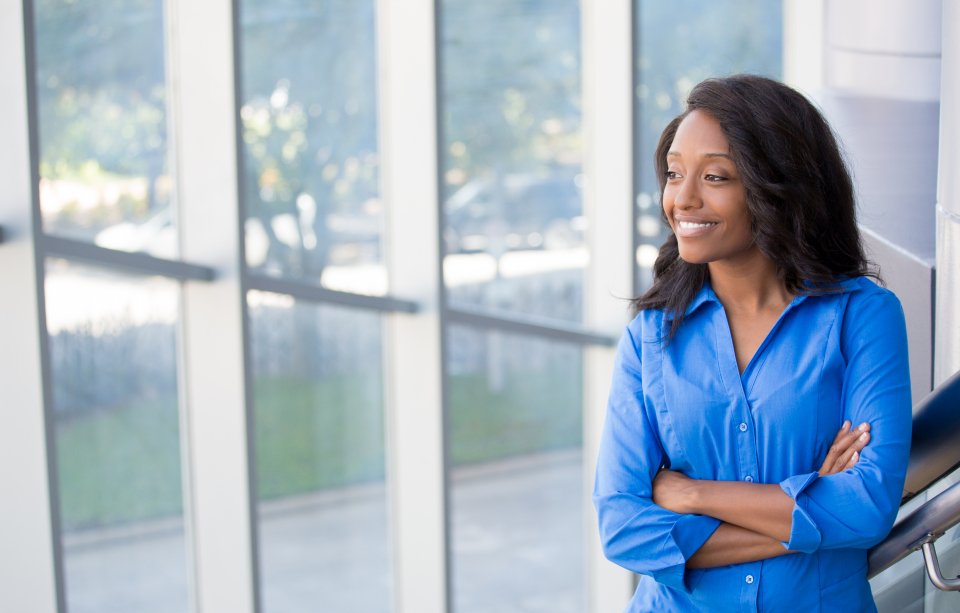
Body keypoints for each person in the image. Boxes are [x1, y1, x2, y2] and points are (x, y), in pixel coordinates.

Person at [593, 74, 912, 612]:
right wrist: (809, 505)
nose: (682, 199)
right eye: (674, 174)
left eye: (715, 176)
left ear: (779, 186)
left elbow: (866, 507)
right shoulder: (651, 333)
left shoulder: (862, 316)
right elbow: (623, 529)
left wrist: (692, 495)